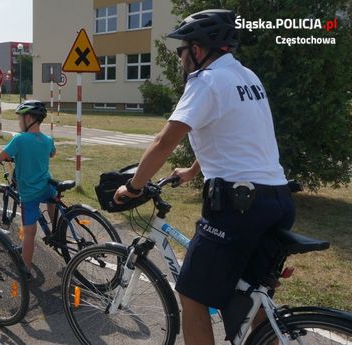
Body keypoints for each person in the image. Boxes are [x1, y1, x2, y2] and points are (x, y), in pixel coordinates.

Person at [113, 9, 295, 345]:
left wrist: (134, 186)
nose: (180, 57)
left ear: (197, 49)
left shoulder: (206, 81)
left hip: (239, 208)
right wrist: (194, 170)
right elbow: (231, 133)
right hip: (278, 200)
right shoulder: (247, 76)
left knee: (193, 298)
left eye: (181, 49)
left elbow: (164, 142)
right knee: (250, 293)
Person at [0, 100, 56, 278]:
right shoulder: (47, 139)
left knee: (29, 233)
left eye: (20, 118)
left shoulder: (20, 139)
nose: (19, 122)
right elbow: (52, 153)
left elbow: (3, 155)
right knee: (52, 199)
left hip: (30, 194)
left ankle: (26, 269)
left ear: (29, 118)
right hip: (46, 187)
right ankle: (56, 230)